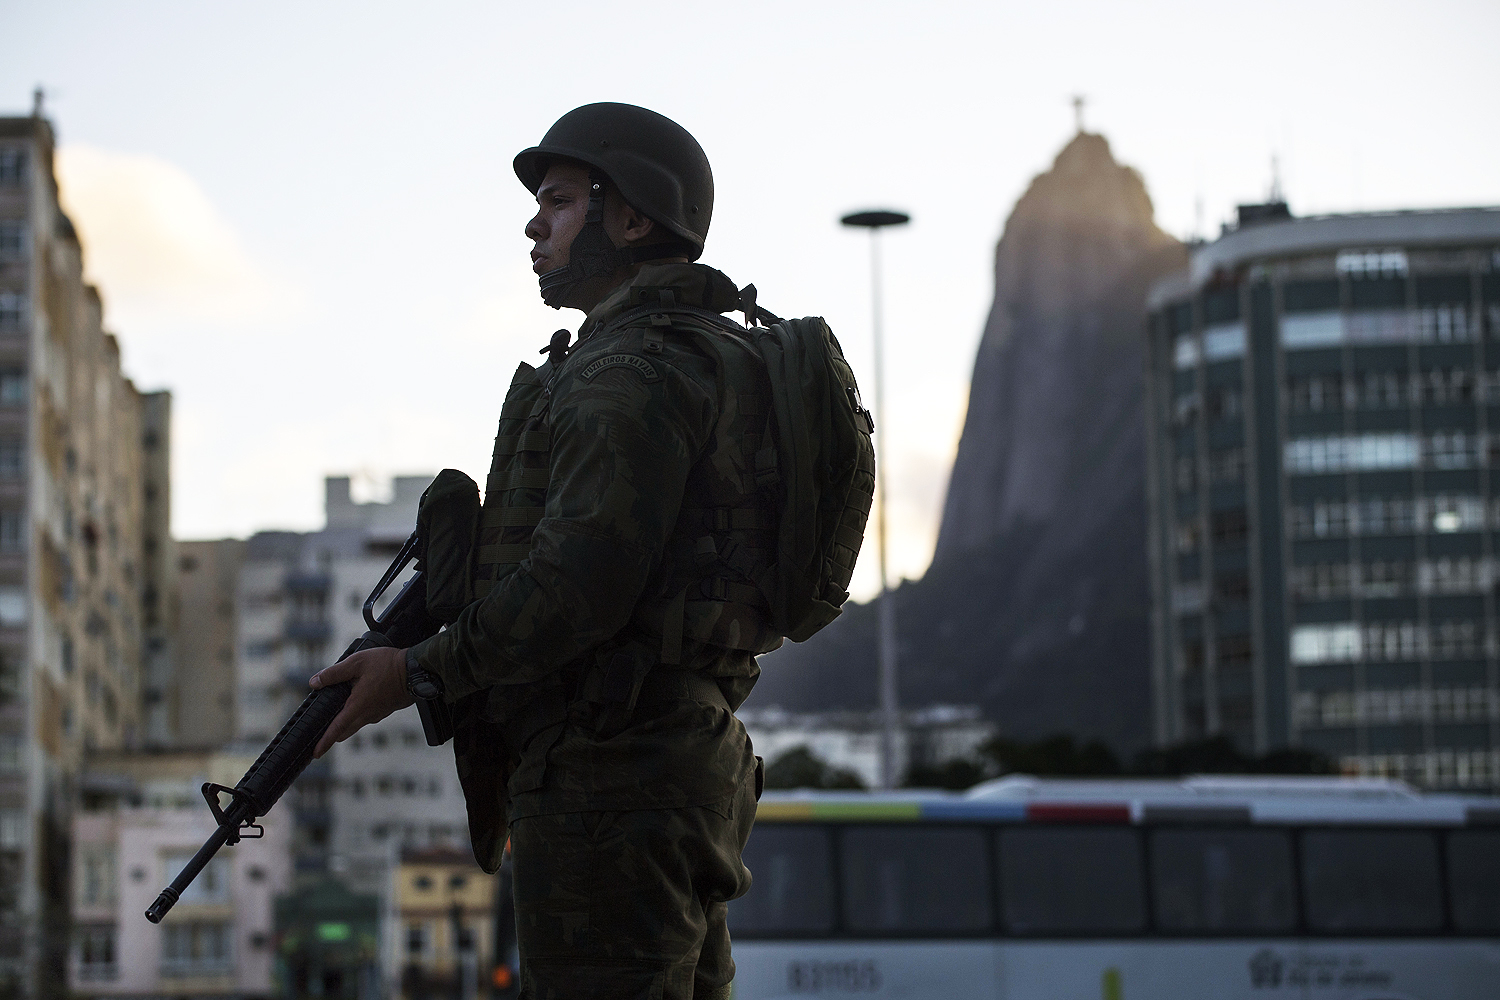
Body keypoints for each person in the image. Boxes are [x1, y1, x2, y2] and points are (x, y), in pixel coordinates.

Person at [309, 102, 786, 1000]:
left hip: (611, 776)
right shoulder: (707, 355)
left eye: (561, 201)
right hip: (674, 760)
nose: (535, 223)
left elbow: (577, 585)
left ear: (631, 215)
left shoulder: (626, 370)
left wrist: (413, 671)